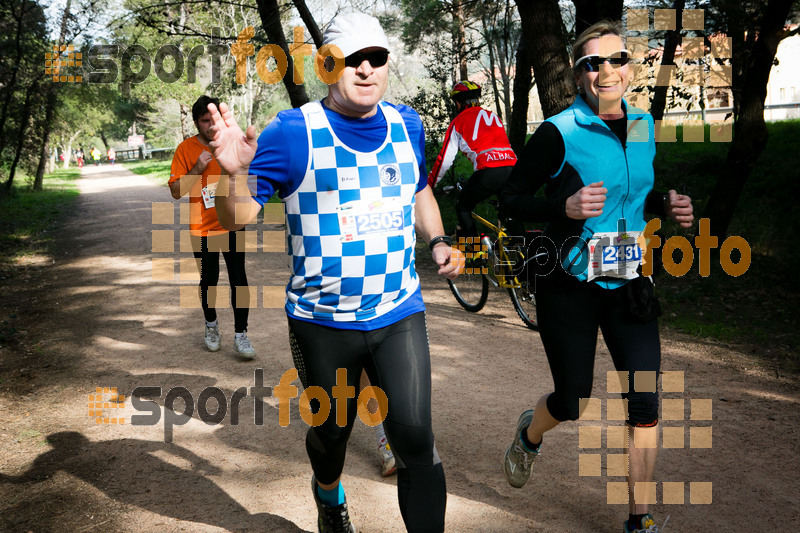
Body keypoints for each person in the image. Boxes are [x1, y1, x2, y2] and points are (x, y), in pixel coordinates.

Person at [206, 12, 462, 532]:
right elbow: (237, 217)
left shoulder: (408, 124)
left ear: (388, 65)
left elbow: (418, 189)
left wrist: (436, 240)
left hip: (398, 311)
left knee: (415, 438)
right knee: (333, 435)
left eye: (377, 58)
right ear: (327, 67)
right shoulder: (293, 130)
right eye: (351, 60)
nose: (365, 69)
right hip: (321, 322)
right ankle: (328, 494)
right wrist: (234, 173)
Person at [499, 21, 694, 533]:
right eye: (593, 63)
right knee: (574, 399)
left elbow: (636, 196)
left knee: (646, 401)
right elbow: (510, 198)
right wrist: (560, 206)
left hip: (628, 276)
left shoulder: (643, 126)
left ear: (630, 69)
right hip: (571, 283)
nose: (606, 71)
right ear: (578, 74)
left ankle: (640, 519)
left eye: (616, 59)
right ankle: (530, 434)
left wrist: (666, 206)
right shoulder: (559, 132)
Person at [169, 95, 256, 360]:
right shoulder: (186, 149)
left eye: (213, 119)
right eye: (205, 120)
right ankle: (211, 326)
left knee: (238, 280)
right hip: (202, 228)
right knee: (209, 281)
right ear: (197, 122)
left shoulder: (231, 144)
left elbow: (251, 176)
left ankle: (241, 334)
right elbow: (175, 191)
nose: (210, 125)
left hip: (231, 223)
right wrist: (196, 169)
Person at [427, 80, 518, 238]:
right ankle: (524, 251)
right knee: (508, 208)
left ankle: (477, 255)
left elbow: (444, 160)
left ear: (459, 102)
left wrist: (429, 185)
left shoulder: (458, 122)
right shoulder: (492, 117)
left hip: (488, 173)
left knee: (462, 207)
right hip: (513, 169)